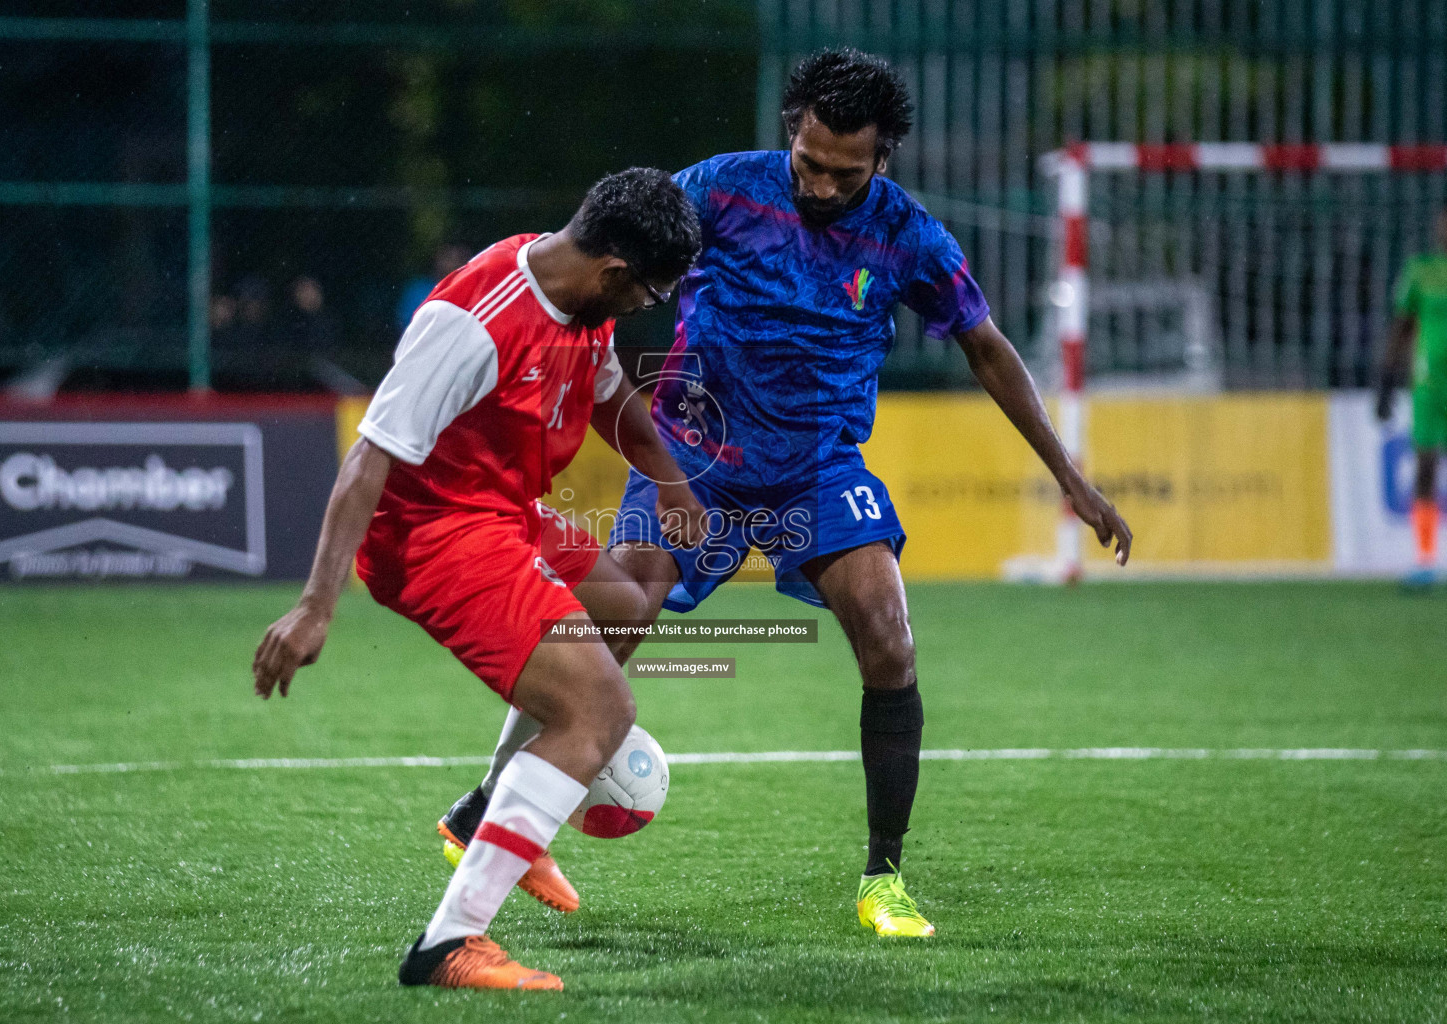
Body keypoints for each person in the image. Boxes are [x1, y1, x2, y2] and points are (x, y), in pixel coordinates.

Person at [435, 49, 1133, 939]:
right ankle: (486, 812)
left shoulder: (910, 235)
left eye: (850, 172)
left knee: (891, 640)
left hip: (819, 467)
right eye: (811, 164)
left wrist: (1069, 475)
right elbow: (604, 257)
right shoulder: (718, 190)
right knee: (602, 626)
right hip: (697, 456)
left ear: (883, 160)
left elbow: (986, 345)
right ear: (789, 132)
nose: (827, 186)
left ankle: (885, 878)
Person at [252, 168, 706, 990]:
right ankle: (449, 943)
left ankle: (487, 810)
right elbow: (369, 457)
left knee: (629, 605)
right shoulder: (472, 321)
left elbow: (609, 399)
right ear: (613, 272)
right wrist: (316, 606)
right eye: (648, 293)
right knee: (600, 707)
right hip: (431, 536)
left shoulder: (579, 294)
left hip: (502, 510)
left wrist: (673, 484)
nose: (648, 307)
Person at [1378, 209, 1447, 589]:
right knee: (1425, 467)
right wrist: (1386, 382)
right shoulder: (1421, 270)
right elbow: (1402, 328)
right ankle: (1425, 560)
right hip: (1430, 385)